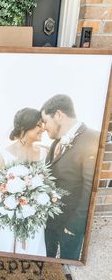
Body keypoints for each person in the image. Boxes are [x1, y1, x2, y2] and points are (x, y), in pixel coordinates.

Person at [41, 94, 100, 260]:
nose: (44, 127)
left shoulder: (93, 138)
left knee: (68, 267)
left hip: (71, 226)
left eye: (46, 121)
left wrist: (75, 226)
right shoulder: (54, 143)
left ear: (59, 115)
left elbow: (90, 190)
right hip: (50, 222)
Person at [0, 107, 47, 256]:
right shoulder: (2, 156)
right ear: (24, 127)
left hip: (34, 214)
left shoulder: (43, 153)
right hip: (8, 215)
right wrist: (13, 204)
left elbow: (46, 185)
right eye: (39, 125)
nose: (43, 128)